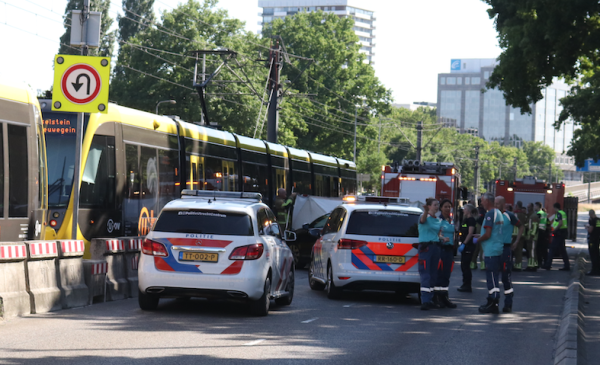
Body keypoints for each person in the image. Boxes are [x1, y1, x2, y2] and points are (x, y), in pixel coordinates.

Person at [477, 192, 505, 314]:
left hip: (491, 250)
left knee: (492, 278)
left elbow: (488, 234)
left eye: (482, 201)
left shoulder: (489, 214)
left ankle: (494, 301)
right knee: (493, 276)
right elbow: (492, 232)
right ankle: (491, 300)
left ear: (487, 201)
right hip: (496, 247)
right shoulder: (498, 213)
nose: (481, 203)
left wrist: (477, 240)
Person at [496, 196, 523, 313]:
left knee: (505, 276)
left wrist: (516, 241)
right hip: (494, 249)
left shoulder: (509, 215)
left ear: (503, 204)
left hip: (506, 248)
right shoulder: (492, 215)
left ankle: (508, 303)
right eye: (494, 203)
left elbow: (521, 226)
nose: (495, 205)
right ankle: (494, 302)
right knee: (493, 277)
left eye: (498, 203)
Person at [418, 198, 444, 310]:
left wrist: (443, 238)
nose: (437, 207)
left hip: (435, 247)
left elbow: (438, 234)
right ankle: (425, 300)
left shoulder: (438, 220)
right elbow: (422, 221)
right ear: (429, 206)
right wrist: (424, 211)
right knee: (426, 273)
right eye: (435, 205)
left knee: (433, 274)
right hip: (426, 247)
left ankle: (431, 298)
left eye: (437, 205)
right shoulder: (425, 217)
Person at [435, 199, 457, 308]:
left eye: (449, 207)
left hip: (449, 250)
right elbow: (436, 234)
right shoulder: (439, 220)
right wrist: (443, 238)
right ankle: (437, 297)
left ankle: (445, 296)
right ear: (441, 208)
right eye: (446, 207)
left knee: (447, 274)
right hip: (441, 249)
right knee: (440, 273)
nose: (448, 209)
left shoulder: (451, 220)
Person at [543, 202, 570, 271]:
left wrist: (554, 230)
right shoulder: (563, 213)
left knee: (552, 249)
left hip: (559, 233)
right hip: (562, 233)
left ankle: (548, 265)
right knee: (562, 250)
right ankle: (567, 266)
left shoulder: (559, 213)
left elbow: (560, 223)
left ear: (555, 207)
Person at [458, 205, 478, 292]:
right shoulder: (465, 220)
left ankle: (467, 285)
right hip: (465, 245)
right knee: (463, 265)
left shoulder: (471, 220)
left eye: (465, 209)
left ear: (469, 211)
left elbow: (470, 233)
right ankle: (464, 283)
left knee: (466, 266)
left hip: (468, 246)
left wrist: (464, 244)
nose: (463, 211)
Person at [512, 201, 528, 271]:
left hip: (515, 234)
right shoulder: (524, 215)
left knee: (514, 250)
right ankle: (518, 264)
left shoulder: (515, 214)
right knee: (519, 250)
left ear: (516, 206)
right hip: (522, 234)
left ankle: (516, 265)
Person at [535, 202, 549, 268]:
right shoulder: (544, 213)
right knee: (544, 248)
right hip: (544, 231)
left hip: (539, 231)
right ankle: (546, 262)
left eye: (535, 206)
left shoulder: (539, 214)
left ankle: (539, 262)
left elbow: (536, 222)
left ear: (538, 206)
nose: (535, 207)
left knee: (538, 248)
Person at [585, 210, 600, 275]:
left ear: (590, 214)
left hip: (592, 240)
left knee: (593, 255)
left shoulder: (593, 221)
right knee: (597, 255)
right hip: (597, 239)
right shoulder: (598, 220)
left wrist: (587, 227)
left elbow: (590, 230)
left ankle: (594, 270)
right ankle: (598, 270)